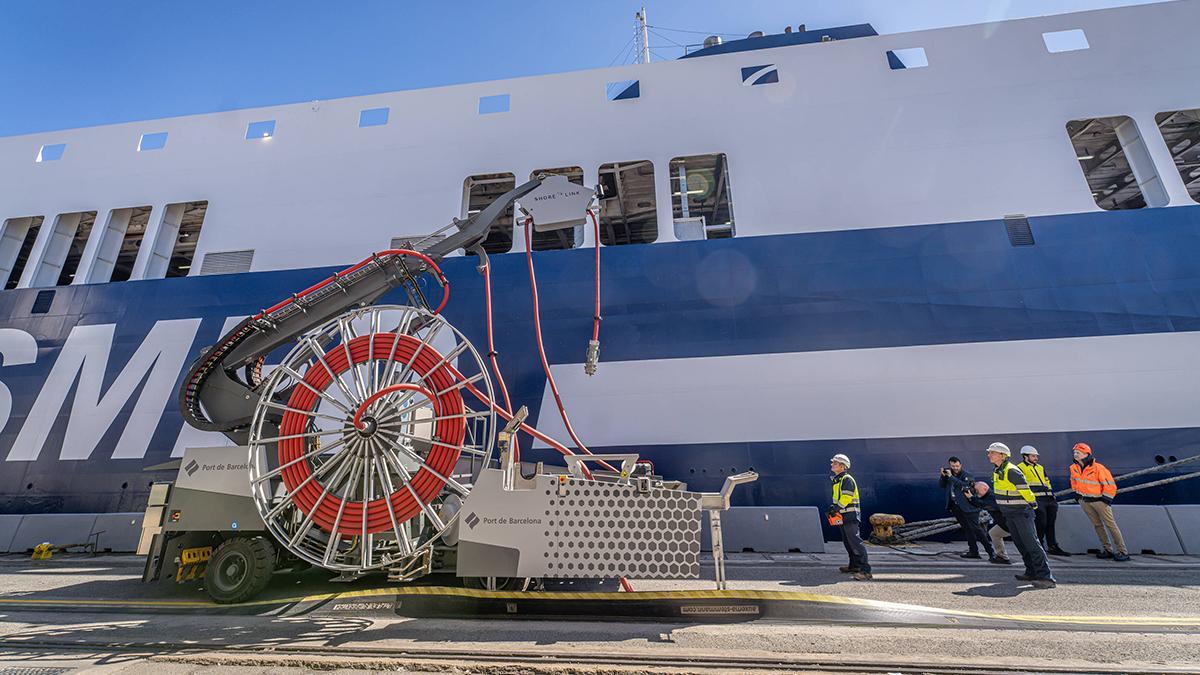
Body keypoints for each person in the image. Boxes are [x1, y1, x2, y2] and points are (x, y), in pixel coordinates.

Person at [986, 442, 1055, 588]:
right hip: (1009, 514)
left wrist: (1033, 505)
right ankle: (1031, 571)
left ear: (1002, 455)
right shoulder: (998, 470)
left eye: (992, 452)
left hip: (1021, 513)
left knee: (1032, 544)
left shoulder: (1012, 470)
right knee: (1021, 544)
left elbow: (1026, 491)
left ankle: (1046, 577)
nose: (989, 455)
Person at [1070, 442, 1129, 561]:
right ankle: (1107, 550)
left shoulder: (1098, 468)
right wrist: (1077, 494)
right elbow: (1074, 482)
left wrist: (1106, 500)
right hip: (1085, 501)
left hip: (1100, 501)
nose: (1076, 455)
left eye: (1078, 453)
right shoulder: (1073, 468)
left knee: (1110, 525)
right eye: (1075, 452)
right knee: (1097, 525)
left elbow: (1110, 485)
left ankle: (1123, 551)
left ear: (1086, 454)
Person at [939, 456, 997, 561]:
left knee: (977, 530)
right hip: (956, 507)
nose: (955, 468)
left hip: (969, 507)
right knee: (967, 530)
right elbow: (942, 486)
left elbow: (966, 486)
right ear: (950, 465)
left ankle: (991, 552)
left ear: (960, 465)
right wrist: (943, 476)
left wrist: (951, 477)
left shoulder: (967, 475)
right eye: (953, 466)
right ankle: (973, 551)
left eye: (957, 466)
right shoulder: (949, 475)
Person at [1019, 446, 1070, 556]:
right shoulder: (1020, 468)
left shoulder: (1040, 468)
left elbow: (1047, 482)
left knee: (1050, 524)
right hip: (1037, 499)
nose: (1036, 458)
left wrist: (1052, 496)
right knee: (1041, 523)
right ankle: (1039, 546)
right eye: (1033, 456)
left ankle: (1052, 546)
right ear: (1025, 456)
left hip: (1049, 499)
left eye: (1036, 456)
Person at [827, 453, 872, 580]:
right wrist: (834, 508)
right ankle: (854, 565)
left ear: (842, 466)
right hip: (843, 515)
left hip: (850, 515)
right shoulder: (838, 480)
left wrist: (837, 508)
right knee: (848, 542)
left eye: (835, 463)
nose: (832, 465)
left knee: (855, 542)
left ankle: (866, 570)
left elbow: (846, 497)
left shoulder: (846, 479)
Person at [967, 481, 1013, 564]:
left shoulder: (992, 496)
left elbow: (987, 505)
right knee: (994, 533)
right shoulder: (985, 497)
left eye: (977, 490)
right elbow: (979, 504)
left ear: (985, 489)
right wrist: (971, 498)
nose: (975, 492)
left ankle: (1035, 560)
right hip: (1004, 524)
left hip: (1011, 524)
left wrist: (972, 498)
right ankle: (1002, 557)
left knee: (1023, 542)